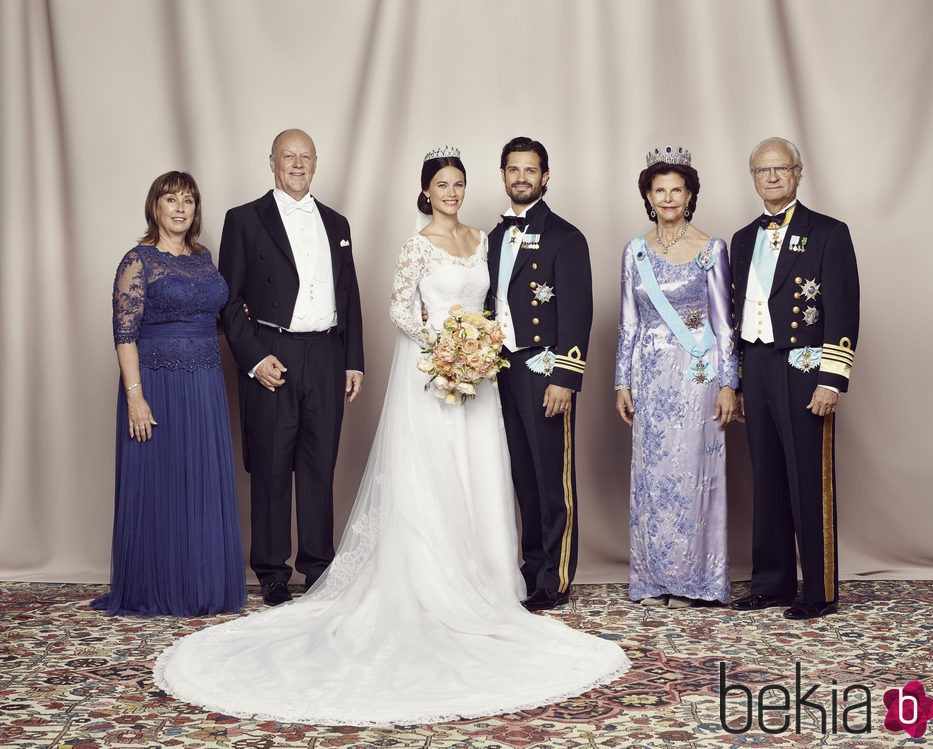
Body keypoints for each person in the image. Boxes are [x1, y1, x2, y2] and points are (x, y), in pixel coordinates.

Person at [153, 147, 629, 725]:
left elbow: (503, 309)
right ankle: (317, 575)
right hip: (433, 373)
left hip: (481, 380)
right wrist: (447, 346)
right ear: (426, 191)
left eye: (459, 183)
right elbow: (401, 311)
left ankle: (505, 580)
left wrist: (481, 348)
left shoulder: (489, 239)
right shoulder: (413, 244)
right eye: (441, 184)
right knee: (411, 476)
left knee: (484, 475)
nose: (452, 192)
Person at [218, 129, 365, 606]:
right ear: (272, 163)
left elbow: (351, 295)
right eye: (288, 156)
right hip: (272, 351)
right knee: (272, 465)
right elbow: (228, 300)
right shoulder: (243, 220)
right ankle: (272, 571)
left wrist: (353, 360)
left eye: (305, 156)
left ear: (317, 163)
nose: (297, 164)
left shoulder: (337, 222)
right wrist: (254, 359)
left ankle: (319, 566)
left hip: (325, 353)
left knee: (320, 464)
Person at [93, 171, 246, 617]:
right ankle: (157, 587)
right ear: (155, 207)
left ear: (196, 210)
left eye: (188, 200)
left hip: (205, 383)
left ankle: (201, 586)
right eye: (170, 199)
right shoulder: (138, 261)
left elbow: (208, 315)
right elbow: (124, 333)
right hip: (156, 384)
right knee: (161, 483)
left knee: (200, 479)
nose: (180, 208)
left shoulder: (204, 259)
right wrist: (135, 396)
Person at [729, 137, 860, 620]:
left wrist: (832, 379)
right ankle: (771, 583)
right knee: (766, 478)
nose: (773, 177)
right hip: (758, 368)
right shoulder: (743, 239)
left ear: (799, 173)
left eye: (781, 168)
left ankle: (819, 590)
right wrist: (739, 382)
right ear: (754, 178)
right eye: (763, 171)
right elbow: (734, 315)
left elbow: (843, 312)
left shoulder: (828, 232)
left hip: (806, 370)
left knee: (809, 479)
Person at [614, 147, 739, 608]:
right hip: (649, 377)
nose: (668, 198)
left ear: (690, 195)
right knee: (652, 477)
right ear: (648, 195)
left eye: (677, 190)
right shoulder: (635, 251)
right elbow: (628, 323)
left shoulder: (711, 249)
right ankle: (654, 577)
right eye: (659, 190)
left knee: (693, 475)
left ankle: (697, 579)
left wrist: (729, 383)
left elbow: (725, 325)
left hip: (696, 375)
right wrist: (620, 382)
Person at [487, 137, 593, 612]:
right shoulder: (491, 237)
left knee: (553, 479)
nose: (522, 178)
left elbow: (577, 313)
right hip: (499, 373)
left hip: (544, 369)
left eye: (531, 170)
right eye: (514, 169)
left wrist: (565, 379)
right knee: (522, 479)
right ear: (504, 175)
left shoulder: (566, 238)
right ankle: (530, 572)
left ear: (545, 177)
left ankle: (555, 577)